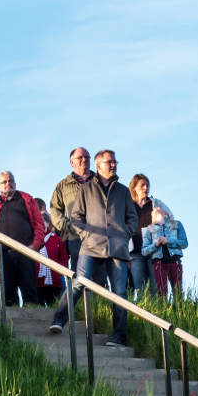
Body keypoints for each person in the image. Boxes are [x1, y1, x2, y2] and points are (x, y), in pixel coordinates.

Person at [48, 150, 138, 347]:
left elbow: (133, 218)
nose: (113, 165)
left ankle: (118, 336)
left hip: (117, 249)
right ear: (98, 165)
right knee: (78, 283)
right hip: (90, 246)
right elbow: (76, 216)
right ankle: (58, 320)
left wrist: (125, 233)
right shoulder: (86, 189)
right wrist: (85, 234)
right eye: (109, 162)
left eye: (114, 161)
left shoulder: (123, 191)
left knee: (120, 292)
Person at [0, 171, 45, 306]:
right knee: (8, 294)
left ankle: (33, 319)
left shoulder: (27, 200)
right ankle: (9, 325)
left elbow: (39, 224)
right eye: (4, 182)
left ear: (15, 184)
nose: (8, 184)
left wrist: (35, 245)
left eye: (10, 181)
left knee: (29, 290)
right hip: (3, 254)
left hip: (26, 251)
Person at [49, 147, 95, 271]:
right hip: (76, 238)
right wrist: (68, 226)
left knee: (100, 278)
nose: (84, 159)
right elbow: (54, 210)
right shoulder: (63, 185)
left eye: (87, 157)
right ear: (72, 162)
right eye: (80, 157)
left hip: (100, 237)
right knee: (79, 276)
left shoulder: (100, 181)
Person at [141, 199, 188, 298]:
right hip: (158, 264)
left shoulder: (177, 224)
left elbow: (184, 243)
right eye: (154, 208)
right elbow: (144, 251)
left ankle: (179, 312)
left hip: (175, 262)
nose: (156, 207)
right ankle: (163, 312)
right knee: (161, 293)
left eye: (159, 206)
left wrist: (169, 240)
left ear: (165, 211)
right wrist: (156, 244)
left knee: (178, 292)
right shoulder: (149, 229)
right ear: (152, 214)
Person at [128, 173, 154, 295]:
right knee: (139, 288)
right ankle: (141, 312)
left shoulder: (154, 204)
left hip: (153, 251)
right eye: (142, 185)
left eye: (147, 185)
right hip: (135, 253)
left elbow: (169, 219)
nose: (146, 188)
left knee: (155, 286)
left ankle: (158, 312)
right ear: (134, 188)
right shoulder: (128, 206)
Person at [36, 213, 69, 306]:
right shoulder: (32, 239)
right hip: (37, 281)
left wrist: (59, 272)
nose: (42, 224)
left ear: (47, 223)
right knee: (38, 308)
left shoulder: (56, 239)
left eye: (44, 222)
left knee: (55, 307)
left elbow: (64, 259)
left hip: (54, 281)